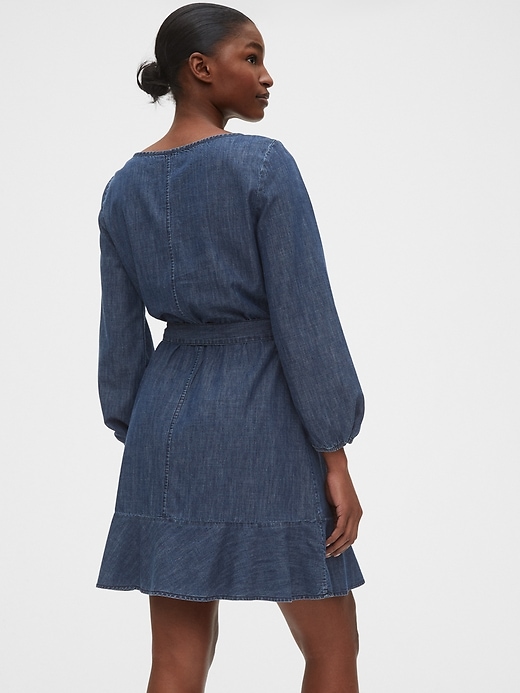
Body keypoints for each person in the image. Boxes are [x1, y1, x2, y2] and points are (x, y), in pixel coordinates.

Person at [97, 3, 365, 692]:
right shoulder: (263, 165)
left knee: (176, 659)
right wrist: (335, 452)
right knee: (333, 642)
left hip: (164, 426)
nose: (266, 75)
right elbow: (305, 317)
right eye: (251, 57)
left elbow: (120, 338)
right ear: (200, 68)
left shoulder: (122, 188)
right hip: (264, 417)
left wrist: (141, 428)